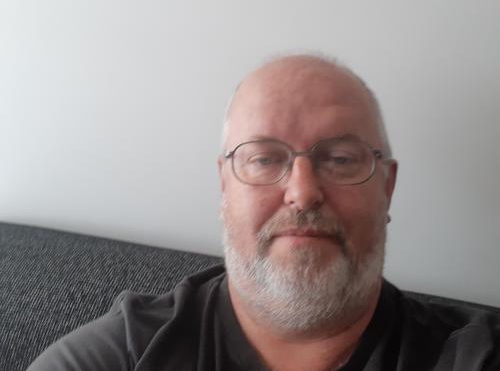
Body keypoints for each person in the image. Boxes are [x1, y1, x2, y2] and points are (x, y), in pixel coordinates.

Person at [28, 54, 500, 371]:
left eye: (340, 159)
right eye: (264, 159)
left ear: (387, 188)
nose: (303, 192)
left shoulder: (473, 355)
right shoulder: (122, 356)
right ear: (224, 186)